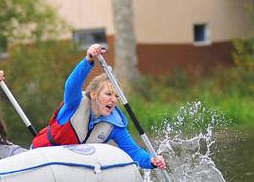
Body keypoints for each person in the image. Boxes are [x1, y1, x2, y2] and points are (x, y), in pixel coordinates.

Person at [32, 44, 167, 170]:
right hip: (42, 157)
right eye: (108, 94)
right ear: (94, 94)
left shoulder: (114, 125)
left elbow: (135, 152)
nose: (113, 100)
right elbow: (71, 85)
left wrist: (152, 160)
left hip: (69, 169)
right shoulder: (75, 102)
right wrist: (88, 60)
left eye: (116, 96)